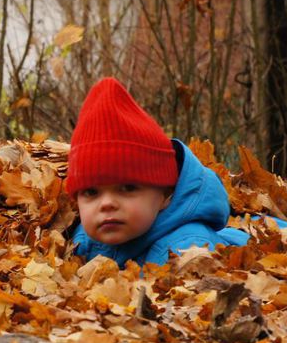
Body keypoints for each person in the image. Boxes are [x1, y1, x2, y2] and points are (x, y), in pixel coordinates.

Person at [67, 77, 249, 266]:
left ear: (166, 194)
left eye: (128, 188)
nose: (107, 204)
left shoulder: (185, 251)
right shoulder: (84, 241)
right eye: (91, 192)